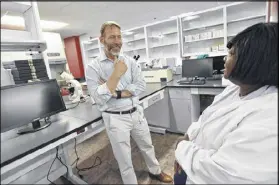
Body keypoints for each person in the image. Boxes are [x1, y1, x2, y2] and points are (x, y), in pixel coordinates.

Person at [174, 22, 278, 184]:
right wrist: (187, 139)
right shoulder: (235, 89)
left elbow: (223, 174)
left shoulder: (270, 115)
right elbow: (205, 118)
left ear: (253, 60)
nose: (225, 57)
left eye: (231, 53)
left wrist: (182, 148)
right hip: (190, 166)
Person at [85, 21, 173, 184]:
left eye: (119, 37)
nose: (117, 41)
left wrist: (114, 91)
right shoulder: (93, 67)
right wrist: (116, 75)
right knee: (124, 157)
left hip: (136, 112)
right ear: (102, 40)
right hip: (115, 118)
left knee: (147, 146)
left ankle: (155, 171)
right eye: (112, 37)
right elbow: (98, 98)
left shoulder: (130, 61)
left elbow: (140, 85)